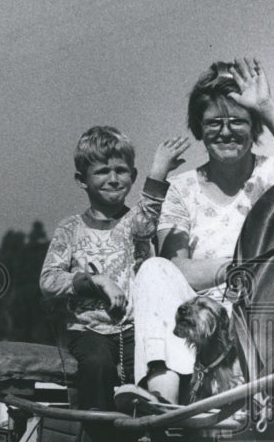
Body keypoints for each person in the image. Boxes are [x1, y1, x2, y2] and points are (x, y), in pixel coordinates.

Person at [133, 56, 274, 404]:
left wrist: (266, 106)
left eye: (238, 121)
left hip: (262, 307)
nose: (226, 132)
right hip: (200, 319)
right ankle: (163, 402)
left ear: (254, 126)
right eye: (214, 122)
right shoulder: (181, 188)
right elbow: (174, 269)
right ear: (199, 128)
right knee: (152, 268)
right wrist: (239, 267)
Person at [40, 125, 189, 409]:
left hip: (134, 329)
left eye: (121, 171)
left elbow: (147, 221)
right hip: (88, 330)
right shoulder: (70, 228)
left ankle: (150, 429)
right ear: (81, 179)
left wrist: (158, 173)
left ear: (133, 175)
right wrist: (95, 281)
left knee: (155, 366)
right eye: (101, 171)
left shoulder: (135, 223)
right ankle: (98, 434)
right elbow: (48, 280)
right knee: (97, 363)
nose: (113, 179)